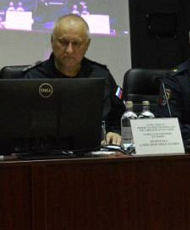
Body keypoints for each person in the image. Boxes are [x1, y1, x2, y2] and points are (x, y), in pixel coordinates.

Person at [23, 14, 124, 144]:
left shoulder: (101, 75)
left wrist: (115, 132)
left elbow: (119, 115)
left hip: (93, 150)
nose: (69, 50)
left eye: (76, 43)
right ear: (52, 41)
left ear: (87, 45)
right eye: (63, 42)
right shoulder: (33, 78)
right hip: (44, 151)